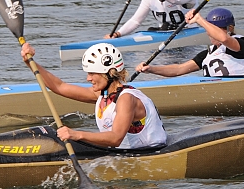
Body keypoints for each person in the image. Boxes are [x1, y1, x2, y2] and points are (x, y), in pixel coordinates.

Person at [20, 41, 167, 149]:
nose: (88, 78)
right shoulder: (102, 95)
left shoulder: (127, 99)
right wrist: (30, 62)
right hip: (124, 154)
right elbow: (60, 86)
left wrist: (76, 134)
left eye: (92, 73)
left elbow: (115, 138)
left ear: (109, 73)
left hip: (150, 154)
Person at [136, 7, 244, 78]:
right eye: (209, 28)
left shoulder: (243, 44)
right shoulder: (207, 55)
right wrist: (152, 69)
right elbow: (178, 70)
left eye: (214, 28)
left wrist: (199, 20)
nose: (209, 32)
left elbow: (225, 39)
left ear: (230, 29)